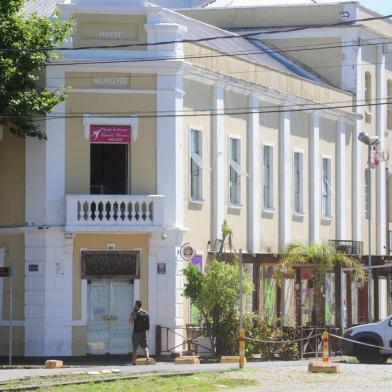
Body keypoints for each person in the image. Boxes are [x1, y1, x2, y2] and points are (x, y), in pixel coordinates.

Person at [128, 300, 150, 365]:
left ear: (137, 305)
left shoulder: (135, 313)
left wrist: (133, 313)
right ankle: (148, 359)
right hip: (144, 332)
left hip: (136, 333)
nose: (134, 306)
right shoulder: (145, 312)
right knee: (145, 347)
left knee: (135, 348)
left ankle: (134, 362)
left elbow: (130, 321)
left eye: (135, 304)